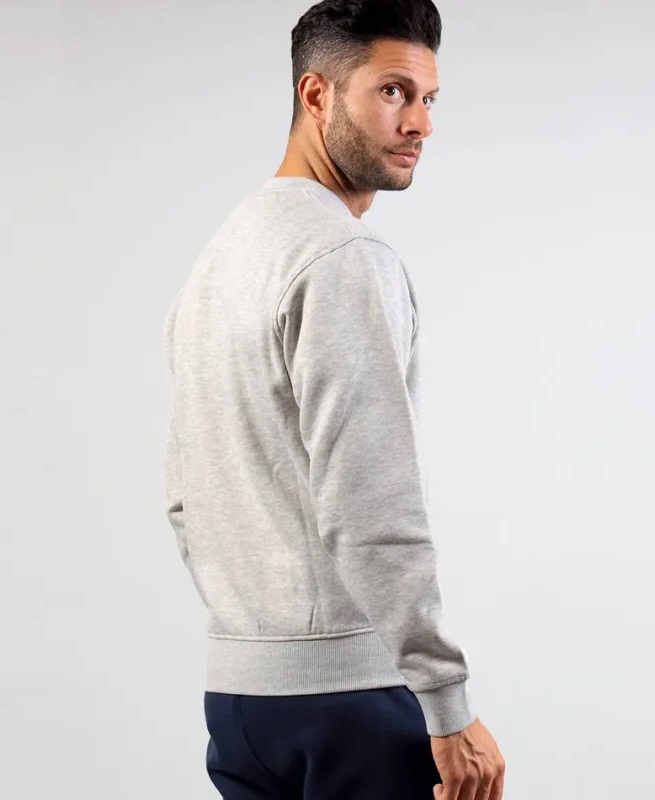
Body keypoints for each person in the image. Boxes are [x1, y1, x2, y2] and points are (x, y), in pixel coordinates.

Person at [163, 1, 506, 797]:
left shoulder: (220, 259)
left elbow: (185, 497)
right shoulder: (342, 256)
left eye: (428, 98)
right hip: (351, 703)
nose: (419, 123)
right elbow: (372, 502)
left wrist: (257, 638)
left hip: (241, 706)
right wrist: (446, 701)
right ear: (316, 95)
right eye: (392, 92)